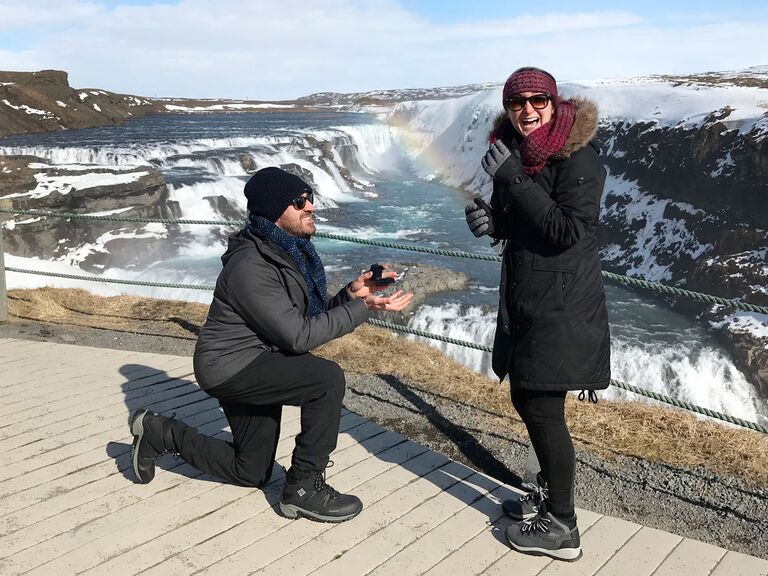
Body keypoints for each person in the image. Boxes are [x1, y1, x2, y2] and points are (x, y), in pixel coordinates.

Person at [129, 166, 412, 523]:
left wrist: (352, 295)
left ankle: (158, 432)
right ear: (275, 212)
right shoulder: (251, 265)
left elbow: (306, 318)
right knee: (325, 380)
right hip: (231, 368)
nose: (310, 207)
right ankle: (304, 488)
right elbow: (299, 336)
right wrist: (362, 308)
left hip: (256, 361)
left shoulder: (286, 252)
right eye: (299, 201)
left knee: (251, 470)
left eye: (310, 198)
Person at [465, 67, 610, 561]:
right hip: (529, 300)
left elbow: (566, 231)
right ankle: (549, 500)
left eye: (537, 100)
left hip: (563, 307)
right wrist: (493, 221)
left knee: (544, 410)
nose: (527, 110)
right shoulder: (520, 154)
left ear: (553, 102)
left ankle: (563, 526)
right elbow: (523, 223)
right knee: (529, 402)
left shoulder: (579, 158)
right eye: (517, 102)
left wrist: (510, 180)